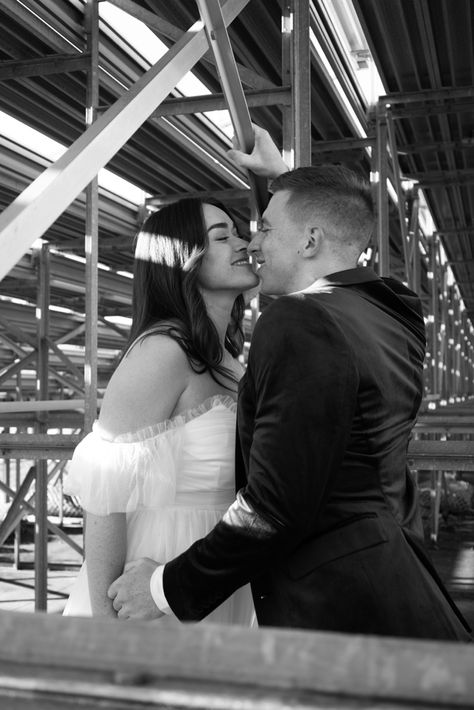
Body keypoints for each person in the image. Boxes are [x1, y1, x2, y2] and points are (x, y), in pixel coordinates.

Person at [108, 126, 471, 641]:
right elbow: (335, 235)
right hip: (393, 580)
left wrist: (164, 589)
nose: (253, 243)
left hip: (336, 608)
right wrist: (288, 181)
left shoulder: (297, 321)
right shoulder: (399, 313)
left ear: (308, 239)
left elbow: (274, 506)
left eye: (263, 228)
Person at [62, 196, 259, 626]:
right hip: (153, 580)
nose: (243, 243)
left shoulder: (230, 358)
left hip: (216, 574)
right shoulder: (162, 351)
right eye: (222, 237)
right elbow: (104, 497)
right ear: (181, 259)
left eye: (239, 232)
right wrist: (109, 632)